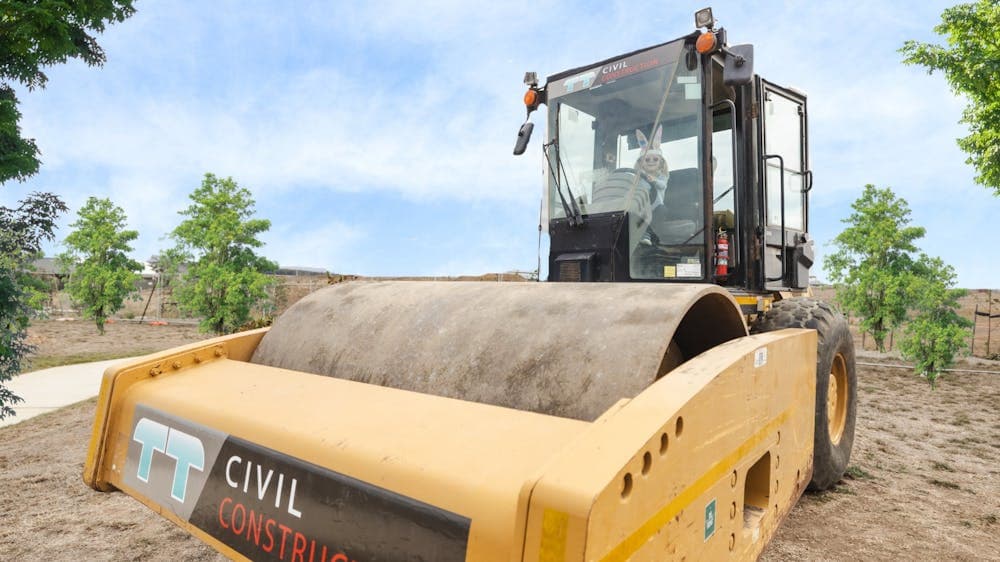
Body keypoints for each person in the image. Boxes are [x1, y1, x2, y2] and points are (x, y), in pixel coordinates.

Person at [634, 125, 669, 245]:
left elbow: (662, 186)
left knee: (662, 210)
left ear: (661, 163)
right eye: (647, 159)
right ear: (641, 163)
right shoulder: (638, 177)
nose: (651, 161)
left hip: (656, 207)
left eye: (655, 159)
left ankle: (649, 235)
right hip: (642, 207)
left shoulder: (662, 176)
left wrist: (654, 180)